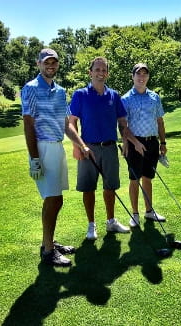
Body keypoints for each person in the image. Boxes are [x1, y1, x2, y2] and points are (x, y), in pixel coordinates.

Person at [22, 48, 90, 267]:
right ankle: (48, 251)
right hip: (42, 148)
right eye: (46, 62)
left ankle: (48, 242)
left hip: (57, 147)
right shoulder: (30, 88)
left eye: (54, 62)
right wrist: (34, 158)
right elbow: (28, 124)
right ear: (38, 64)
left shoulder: (60, 91)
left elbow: (66, 124)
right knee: (52, 199)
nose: (50, 66)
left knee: (57, 198)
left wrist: (81, 144)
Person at [68, 57, 138, 240]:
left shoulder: (114, 96)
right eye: (97, 69)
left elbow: (122, 122)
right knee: (88, 188)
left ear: (107, 73)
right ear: (90, 72)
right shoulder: (80, 94)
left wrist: (126, 141)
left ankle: (111, 221)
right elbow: (72, 122)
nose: (100, 73)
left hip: (109, 148)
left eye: (104, 70)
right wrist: (77, 145)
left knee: (110, 187)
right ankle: (91, 225)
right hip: (87, 148)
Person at [121, 63, 168, 227]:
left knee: (148, 178)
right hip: (135, 143)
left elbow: (160, 121)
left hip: (152, 143)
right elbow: (123, 126)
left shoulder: (155, 97)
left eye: (144, 74)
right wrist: (130, 143)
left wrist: (163, 143)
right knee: (135, 179)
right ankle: (134, 214)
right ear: (133, 77)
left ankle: (149, 212)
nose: (141, 77)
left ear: (148, 77)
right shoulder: (126, 98)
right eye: (138, 74)